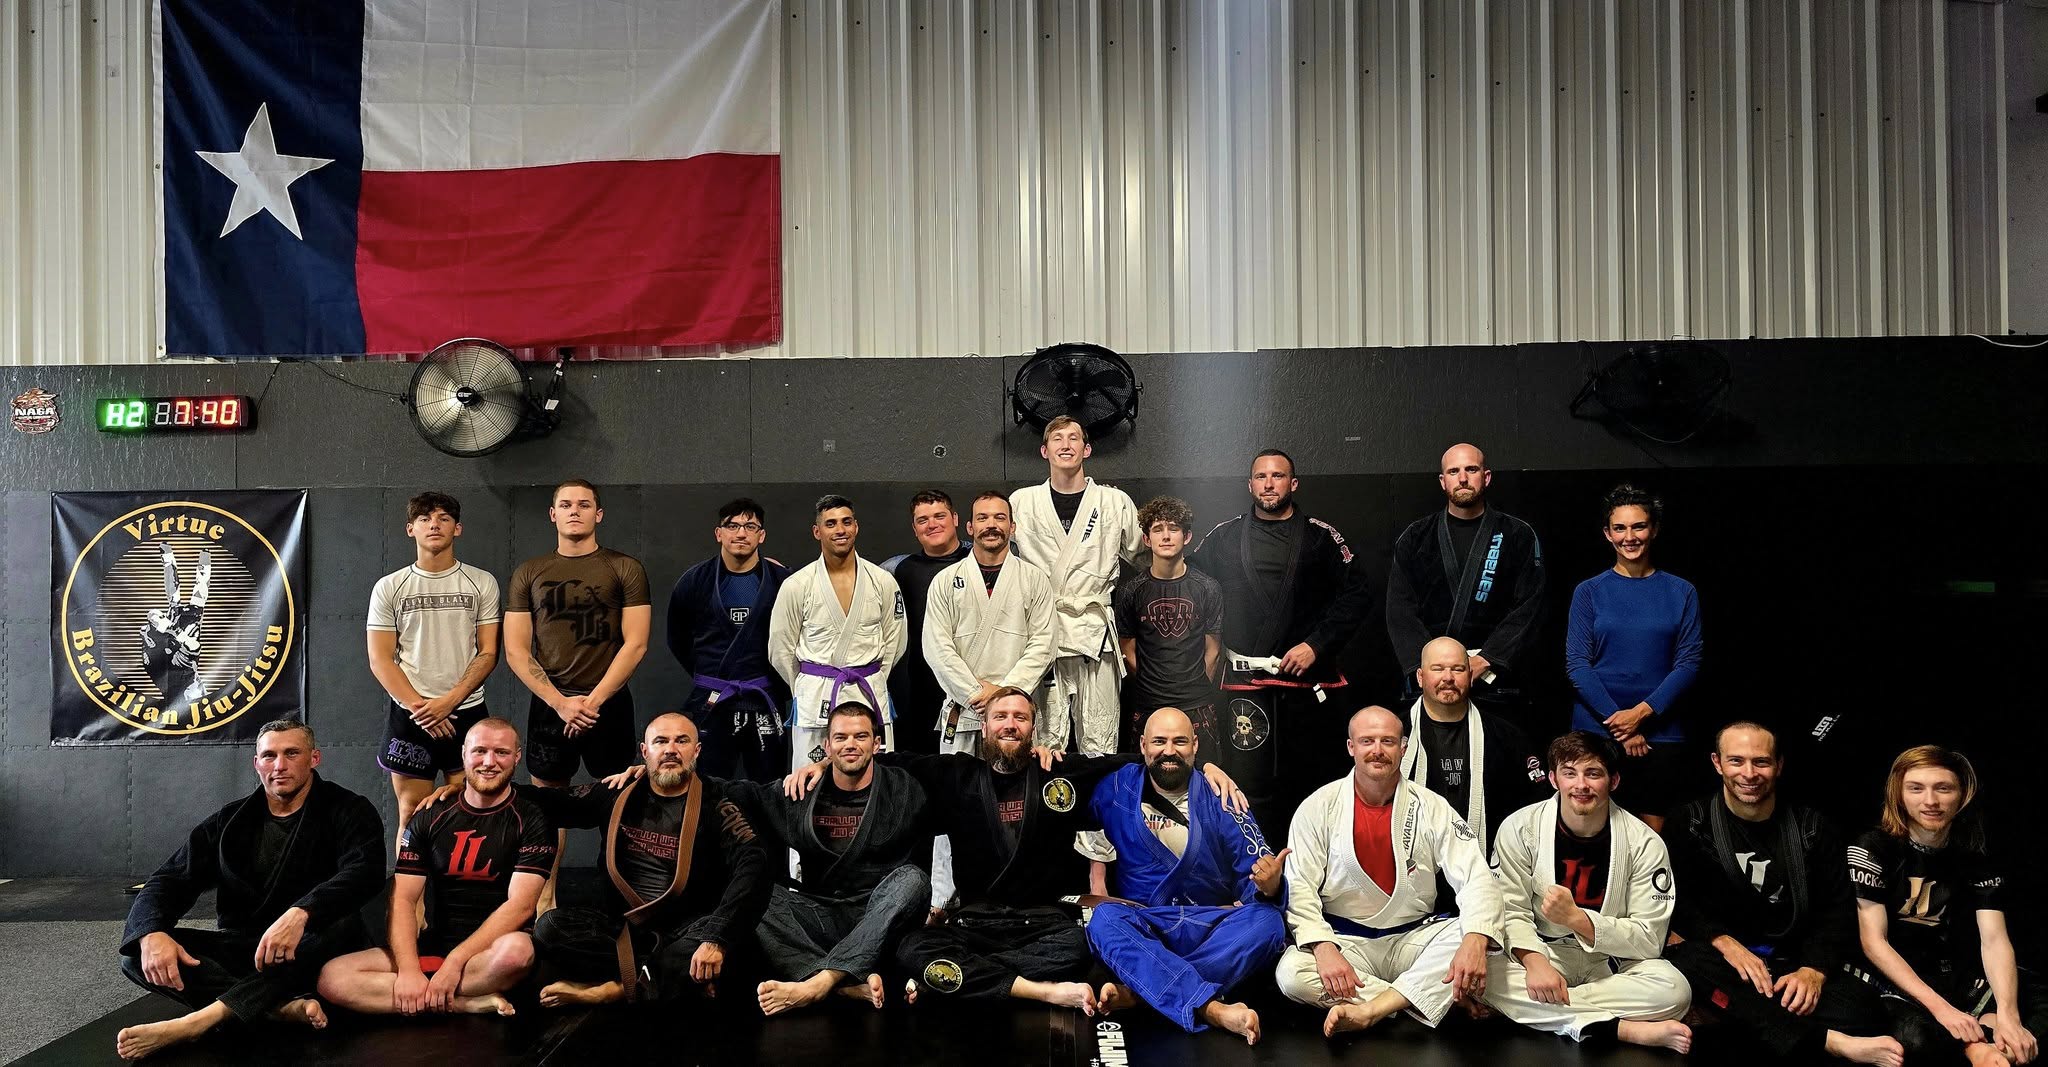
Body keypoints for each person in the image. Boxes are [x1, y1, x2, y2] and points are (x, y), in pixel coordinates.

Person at [787, 688, 1241, 1012]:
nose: (1009, 724)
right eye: (1000, 716)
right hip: (975, 922)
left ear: (1033, 728)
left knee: (1080, 949)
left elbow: (1139, 757)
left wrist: (1206, 765)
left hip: (1045, 927)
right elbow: (876, 757)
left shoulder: (1057, 773)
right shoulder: (955, 775)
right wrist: (825, 760)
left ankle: (957, 981)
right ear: (983, 726)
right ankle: (1034, 990)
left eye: (1020, 717)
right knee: (909, 947)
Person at [116, 721, 384, 1060]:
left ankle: (201, 1020)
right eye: (269, 756)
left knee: (341, 923)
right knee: (135, 956)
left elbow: (366, 871)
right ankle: (275, 1007)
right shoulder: (230, 822)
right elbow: (169, 879)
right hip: (249, 950)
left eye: (291, 754)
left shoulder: (349, 810)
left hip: (315, 951)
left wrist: (302, 913)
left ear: (314, 758)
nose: (280, 766)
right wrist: (151, 933)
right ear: (256, 763)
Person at [1665, 722, 1900, 1065]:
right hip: (1726, 963)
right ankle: (1828, 1042)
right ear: (1717, 763)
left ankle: (1737, 1015)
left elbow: (1836, 910)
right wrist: (1722, 940)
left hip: (1789, 963)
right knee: (1685, 962)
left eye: (1761, 762)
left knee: (1864, 1010)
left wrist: (1814, 971)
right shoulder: (1689, 822)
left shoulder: (1814, 827)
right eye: (1736, 761)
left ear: (1779, 766)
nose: (1749, 773)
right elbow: (1679, 902)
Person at [1274, 705, 1503, 1038]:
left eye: (1388, 741)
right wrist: (1323, 948)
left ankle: (1374, 1009)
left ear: (1404, 748)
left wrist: (1474, 939)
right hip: (1346, 943)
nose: (1377, 750)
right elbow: (1299, 885)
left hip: (1414, 938)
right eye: (1367, 741)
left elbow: (1475, 877)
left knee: (1483, 940)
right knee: (1292, 974)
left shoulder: (1431, 806)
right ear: (1351, 747)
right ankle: (1422, 998)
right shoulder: (1317, 807)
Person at [522, 712, 773, 1005]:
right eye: (660, 741)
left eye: (682, 741)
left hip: (688, 929)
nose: (670, 749)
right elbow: (553, 802)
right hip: (625, 933)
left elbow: (754, 860)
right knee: (549, 927)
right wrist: (477, 788)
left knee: (739, 944)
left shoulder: (717, 803)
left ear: (697, 750)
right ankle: (669, 980)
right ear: (644, 751)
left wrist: (715, 938)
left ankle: (615, 990)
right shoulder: (618, 792)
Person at [1189, 448, 1371, 841]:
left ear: (1293, 483)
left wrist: (1317, 645)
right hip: (1246, 686)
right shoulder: (1223, 537)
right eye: (1261, 477)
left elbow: (1358, 594)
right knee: (1247, 787)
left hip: (1307, 685)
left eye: (1277, 476)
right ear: (1250, 484)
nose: (1268, 484)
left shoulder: (1322, 537)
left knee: (1313, 782)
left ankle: (1314, 874)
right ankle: (1253, 871)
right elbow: (1190, 583)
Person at [317, 718, 553, 1019]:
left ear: (517, 757)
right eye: (480, 751)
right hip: (438, 946)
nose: (489, 762)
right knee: (332, 977)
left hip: (491, 954)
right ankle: (461, 1002)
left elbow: (521, 906)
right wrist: (408, 971)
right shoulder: (430, 816)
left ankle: (426, 996)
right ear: (464, 754)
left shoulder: (532, 819)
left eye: (501, 752)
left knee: (518, 952)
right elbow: (403, 899)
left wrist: (456, 962)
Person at [1078, 708, 1287, 1044]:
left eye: (1180, 741)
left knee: (1268, 924)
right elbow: (1085, 827)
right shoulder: (1115, 788)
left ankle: (1143, 988)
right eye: (1159, 741)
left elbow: (1255, 872)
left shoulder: (1224, 797)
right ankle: (1211, 1007)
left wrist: (1269, 884)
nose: (1169, 750)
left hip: (1209, 925)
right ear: (1143, 745)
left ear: (1195, 746)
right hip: (1145, 925)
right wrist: (1097, 880)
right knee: (1104, 920)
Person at [1482, 731, 1693, 1052]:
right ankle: (1618, 1029)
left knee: (1675, 991)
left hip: (1609, 962)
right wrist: (1535, 963)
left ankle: (1545, 1011)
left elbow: (1650, 939)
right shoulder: (1519, 828)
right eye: (1570, 773)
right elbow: (1509, 908)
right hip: (1544, 953)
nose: (1581, 785)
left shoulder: (1645, 843)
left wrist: (1580, 920)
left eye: (1593, 773)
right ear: (1553, 779)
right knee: (1484, 974)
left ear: (1614, 780)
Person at [725, 702, 932, 1016]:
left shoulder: (904, 788)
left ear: (877, 743)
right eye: (841, 738)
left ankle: (818, 983)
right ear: (827, 746)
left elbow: (964, 776)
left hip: (880, 916)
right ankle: (842, 984)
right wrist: (660, 772)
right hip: (821, 913)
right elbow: (734, 792)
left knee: (913, 880)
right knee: (754, 893)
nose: (850, 744)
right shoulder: (802, 790)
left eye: (861, 736)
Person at [503, 478, 652, 909]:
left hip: (608, 704)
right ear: (553, 514)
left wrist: (594, 700)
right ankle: (545, 902)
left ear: (598, 514)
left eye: (584, 505)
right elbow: (515, 649)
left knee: (618, 804)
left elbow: (636, 643)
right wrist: (560, 702)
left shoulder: (625, 568)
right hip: (551, 705)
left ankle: (620, 899)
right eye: (565, 505)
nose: (574, 511)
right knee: (547, 806)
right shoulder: (529, 572)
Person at [1850, 746, 2044, 1066]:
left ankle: (1993, 1032)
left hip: (1950, 966)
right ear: (1898, 794)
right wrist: (1943, 1010)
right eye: (1916, 788)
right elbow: (1873, 942)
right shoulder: (1872, 847)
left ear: (1962, 793)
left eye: (1943, 788)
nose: (1930, 801)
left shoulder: (1974, 850)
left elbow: (1994, 939)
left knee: (2035, 1002)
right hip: (1891, 973)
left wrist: (2010, 1016)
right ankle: (1976, 1046)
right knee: (1914, 1037)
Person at [921, 490, 1057, 912]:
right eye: (983, 518)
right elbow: (936, 646)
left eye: (1000, 517)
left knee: (1020, 807)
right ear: (970, 527)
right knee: (950, 811)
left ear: (1012, 527)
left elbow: (1044, 643)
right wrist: (976, 695)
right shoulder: (946, 581)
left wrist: (1004, 698)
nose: (992, 524)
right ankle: (943, 900)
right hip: (965, 713)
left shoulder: (1033, 579)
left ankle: (1020, 897)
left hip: (1014, 718)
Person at [368, 491, 501, 851]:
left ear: (457, 529)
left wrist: (450, 702)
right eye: (425, 519)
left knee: (472, 812)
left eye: (443, 518)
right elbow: (380, 659)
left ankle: (462, 904)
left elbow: (489, 652)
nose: (434, 525)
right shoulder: (390, 587)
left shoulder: (481, 582)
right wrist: (422, 708)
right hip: (412, 716)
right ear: (410, 529)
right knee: (411, 813)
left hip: (466, 711)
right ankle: (411, 909)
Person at [1565, 484, 1702, 831]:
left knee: (1656, 833)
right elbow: (1578, 665)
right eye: (1620, 528)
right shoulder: (1589, 591)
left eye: (1638, 526)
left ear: (1653, 529)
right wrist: (1620, 725)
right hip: (1598, 729)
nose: (1630, 536)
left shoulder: (1682, 591)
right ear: (1608, 534)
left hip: (1662, 731)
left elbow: (1688, 663)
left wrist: (1640, 715)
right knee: (1594, 829)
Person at [1010, 415, 1141, 754]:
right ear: (1044, 450)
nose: (1065, 444)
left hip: (1094, 633)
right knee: (1043, 737)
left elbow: (1142, 557)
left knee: (1100, 738)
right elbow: (1001, 562)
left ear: (1087, 449)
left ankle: (1096, 805)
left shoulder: (1114, 502)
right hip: (1041, 630)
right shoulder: (1021, 502)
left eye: (1073, 438)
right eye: (1057, 438)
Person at [1386, 443, 1545, 710]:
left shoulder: (1518, 534)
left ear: (1486, 476)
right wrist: (1426, 666)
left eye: (1471, 469)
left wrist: (1488, 658)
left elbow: (1530, 605)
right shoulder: (1415, 537)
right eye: (1453, 471)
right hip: (1434, 679)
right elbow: (1400, 609)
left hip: (1495, 678)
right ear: (1442, 481)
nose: (1462, 478)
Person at [769, 495, 909, 769]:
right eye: (831, 523)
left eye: (846, 522)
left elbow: (896, 639)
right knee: (810, 782)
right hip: (817, 696)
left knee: (876, 777)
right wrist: (805, 685)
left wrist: (877, 676)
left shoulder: (882, 581)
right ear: (817, 531)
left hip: (867, 689)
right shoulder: (797, 585)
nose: (840, 530)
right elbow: (780, 647)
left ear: (856, 526)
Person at [667, 498, 793, 781]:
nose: (740, 533)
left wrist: (777, 684)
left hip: (763, 697)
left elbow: (796, 640)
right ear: (718, 533)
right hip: (711, 698)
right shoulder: (694, 581)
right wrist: (709, 675)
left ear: (761, 535)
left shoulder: (783, 582)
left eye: (750, 526)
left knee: (769, 786)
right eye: (732, 525)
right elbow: (677, 638)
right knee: (708, 785)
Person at [1396, 636, 1549, 859]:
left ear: (1470, 676)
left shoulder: (1507, 737)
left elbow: (1536, 811)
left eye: (1457, 669)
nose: (1448, 678)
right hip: (1412, 870)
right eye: (1437, 669)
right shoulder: (1392, 736)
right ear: (1420, 677)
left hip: (1489, 867)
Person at [1114, 496, 1224, 752]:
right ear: (1146, 539)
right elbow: (1127, 649)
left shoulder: (1208, 588)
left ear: (1186, 537)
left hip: (1197, 702)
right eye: (1157, 529)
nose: (1166, 536)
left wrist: (1193, 688)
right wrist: (1154, 687)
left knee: (1204, 777)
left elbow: (1214, 650)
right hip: (1149, 703)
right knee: (1149, 778)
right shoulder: (1131, 591)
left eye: (1173, 529)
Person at [882, 490, 972, 755]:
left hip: (974, 684)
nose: (932, 524)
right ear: (914, 528)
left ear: (955, 518)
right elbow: (851, 573)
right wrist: (781, 573)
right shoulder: (896, 569)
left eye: (939, 516)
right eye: (923, 520)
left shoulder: (982, 560)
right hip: (920, 691)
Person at [140, 541, 211, 709]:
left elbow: (151, 614)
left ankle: (169, 558)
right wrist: (174, 630)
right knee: (197, 593)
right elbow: (194, 646)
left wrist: (165, 625)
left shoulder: (160, 662)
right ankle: (202, 558)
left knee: (176, 595)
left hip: (175, 630)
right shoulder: (185, 667)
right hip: (184, 629)